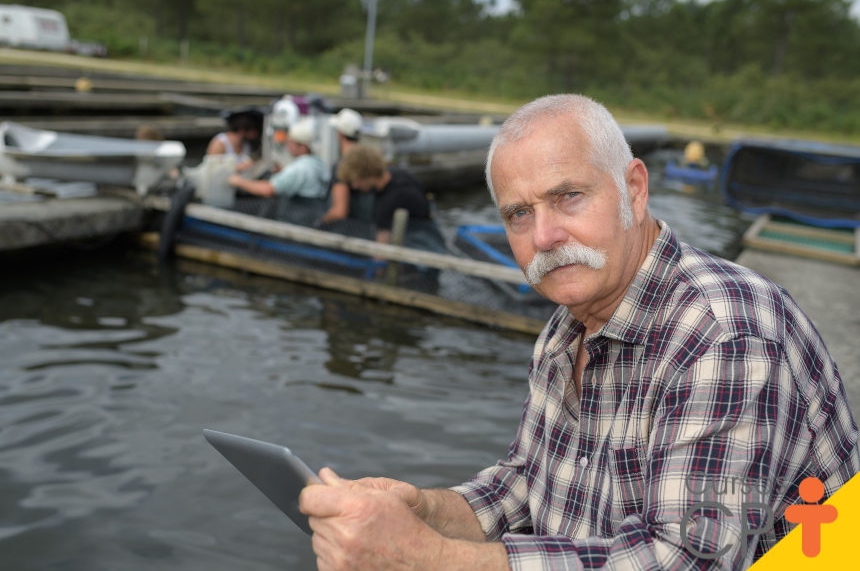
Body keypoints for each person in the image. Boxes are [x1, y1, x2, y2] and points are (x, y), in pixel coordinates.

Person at [299, 94, 859, 570]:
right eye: (518, 214)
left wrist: (428, 557)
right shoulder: (569, 326)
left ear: (634, 190)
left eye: (568, 196)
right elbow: (523, 487)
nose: (543, 236)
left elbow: (689, 558)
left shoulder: (725, 331)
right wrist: (422, 510)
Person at [335, 144, 446, 254]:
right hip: (434, 237)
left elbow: (381, 253)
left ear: (368, 174)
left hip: (420, 250)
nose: (354, 186)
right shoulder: (399, 172)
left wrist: (376, 269)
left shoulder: (388, 205)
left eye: (356, 180)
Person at [228, 117, 328, 224]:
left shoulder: (298, 169)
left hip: (295, 224)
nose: (288, 146)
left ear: (303, 147)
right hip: (311, 218)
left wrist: (239, 181)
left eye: (291, 143)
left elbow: (267, 190)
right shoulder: (317, 162)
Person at [320, 108, 373, 225]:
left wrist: (319, 223)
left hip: (347, 231)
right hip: (369, 228)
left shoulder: (342, 165)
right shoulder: (370, 161)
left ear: (339, 133)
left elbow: (340, 211)